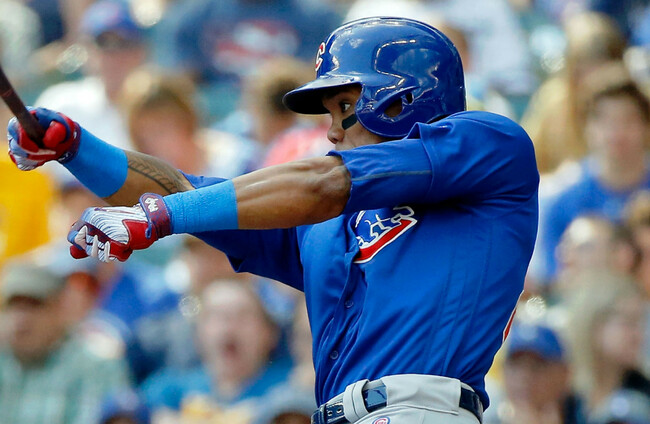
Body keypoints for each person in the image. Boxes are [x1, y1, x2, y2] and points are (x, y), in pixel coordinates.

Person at [7, 17, 539, 424]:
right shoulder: (322, 225)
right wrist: (76, 148)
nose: (331, 131)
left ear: (399, 101)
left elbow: (321, 183)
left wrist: (160, 218)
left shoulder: (491, 147)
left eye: (343, 106)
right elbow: (192, 194)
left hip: (422, 410)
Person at [0, 257, 131, 424]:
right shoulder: (4, 361)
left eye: (34, 305)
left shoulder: (96, 367)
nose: (21, 319)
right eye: (14, 306)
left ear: (59, 309)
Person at [485, 323, 586, 424]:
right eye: (515, 365)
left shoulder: (586, 414)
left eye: (537, 365)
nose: (524, 376)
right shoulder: (487, 416)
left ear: (564, 373)